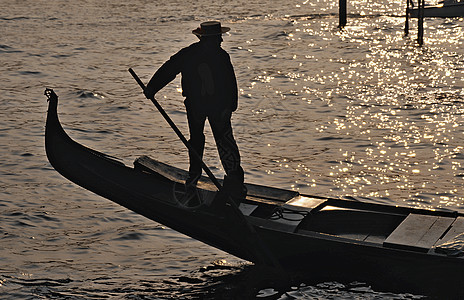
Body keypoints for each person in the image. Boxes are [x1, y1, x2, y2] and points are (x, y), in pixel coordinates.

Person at [144, 21, 246, 204]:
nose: (222, 40)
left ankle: (219, 180)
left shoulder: (194, 54)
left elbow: (169, 69)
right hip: (206, 107)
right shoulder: (217, 56)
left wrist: (152, 88)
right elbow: (169, 70)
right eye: (218, 37)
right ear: (210, 39)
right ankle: (219, 180)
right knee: (215, 141)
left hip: (207, 107)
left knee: (208, 142)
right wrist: (151, 88)